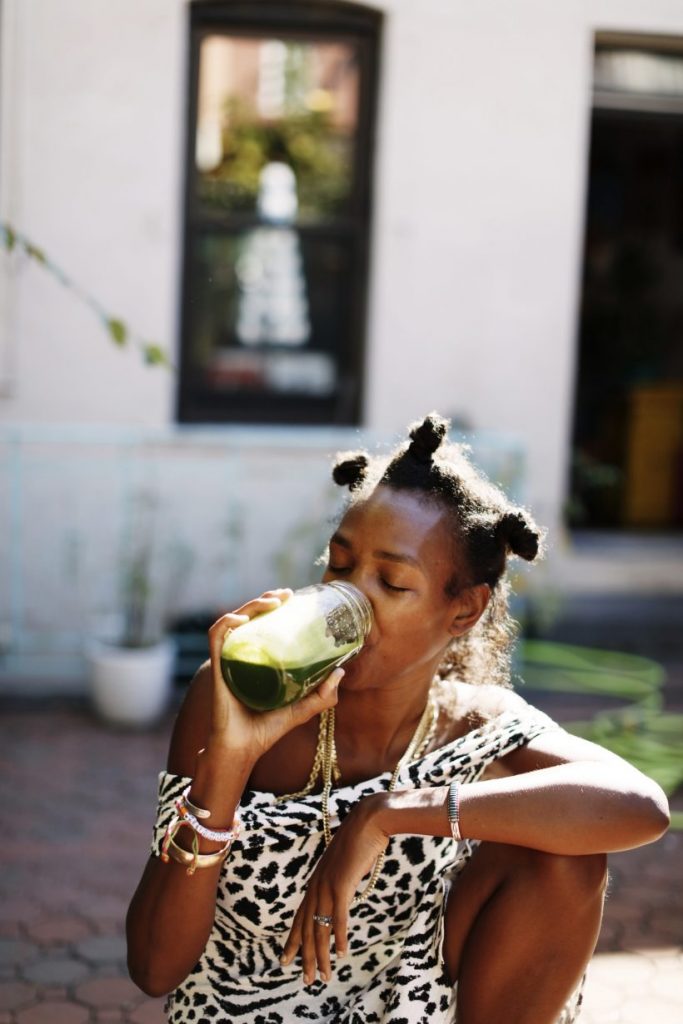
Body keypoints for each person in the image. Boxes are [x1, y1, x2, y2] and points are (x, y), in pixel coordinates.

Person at [127, 413, 669, 1024]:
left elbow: (639, 805)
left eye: (391, 581)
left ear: (464, 610)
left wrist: (388, 814)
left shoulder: (472, 726)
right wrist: (227, 760)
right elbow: (153, 968)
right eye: (339, 564)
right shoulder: (234, 696)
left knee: (564, 856)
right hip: (239, 1009)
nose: (352, 597)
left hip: (409, 1008)